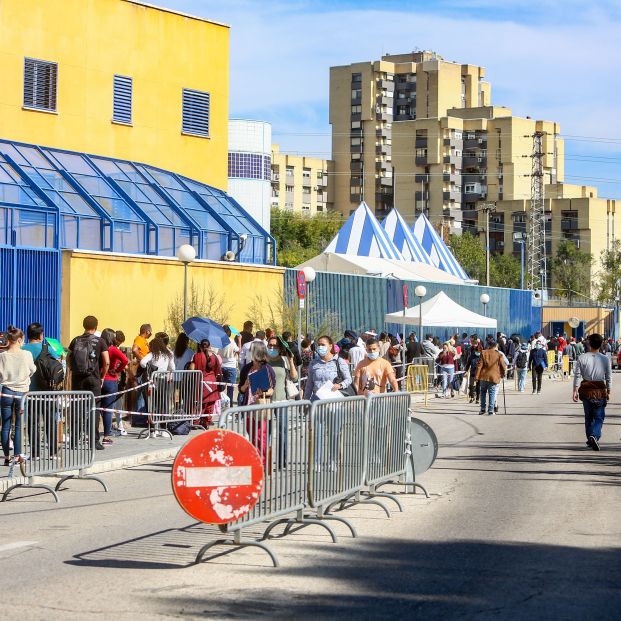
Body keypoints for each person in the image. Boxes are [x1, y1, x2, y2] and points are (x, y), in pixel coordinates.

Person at [68, 316, 110, 450]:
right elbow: (107, 362)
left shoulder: (75, 340)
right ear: (96, 327)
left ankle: (74, 441)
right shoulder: (100, 341)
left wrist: (73, 370)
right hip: (93, 379)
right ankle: (94, 441)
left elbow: (69, 358)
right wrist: (102, 377)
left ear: (83, 325)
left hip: (78, 379)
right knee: (94, 409)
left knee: (76, 409)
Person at [0, 326, 36, 465]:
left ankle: (7, 457)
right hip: (22, 392)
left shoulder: (2, 356)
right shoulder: (26, 355)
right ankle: (17, 456)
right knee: (19, 425)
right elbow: (32, 370)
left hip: (6, 392)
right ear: (20, 339)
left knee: (6, 425)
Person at [573, 333, 612, 451]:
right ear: (601, 344)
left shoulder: (582, 358)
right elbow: (609, 377)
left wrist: (574, 390)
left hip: (586, 390)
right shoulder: (605, 359)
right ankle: (594, 435)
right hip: (600, 390)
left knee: (588, 416)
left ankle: (590, 438)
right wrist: (609, 390)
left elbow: (577, 376)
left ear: (589, 343)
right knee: (599, 417)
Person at [100, 328, 128, 443]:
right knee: (108, 409)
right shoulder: (112, 349)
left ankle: (97, 432)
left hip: (100, 379)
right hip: (111, 380)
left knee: (99, 408)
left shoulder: (100, 348)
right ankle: (107, 434)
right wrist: (117, 370)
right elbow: (125, 360)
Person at [304, 335, 352, 401]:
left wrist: (340, 385)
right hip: (317, 400)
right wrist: (305, 402)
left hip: (333, 401)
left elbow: (348, 379)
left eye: (323, 345)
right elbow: (309, 384)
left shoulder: (338, 361)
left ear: (330, 346)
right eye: (319, 345)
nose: (320, 347)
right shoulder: (313, 363)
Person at [189, 339, 221, 427]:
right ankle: (207, 421)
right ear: (209, 346)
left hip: (201, 381)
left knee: (200, 403)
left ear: (200, 346)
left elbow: (192, 369)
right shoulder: (214, 356)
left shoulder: (197, 355)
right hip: (212, 381)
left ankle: (196, 421)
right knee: (210, 404)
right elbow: (218, 370)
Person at [474, 339, 506, 415]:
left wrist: (476, 376)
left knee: (483, 392)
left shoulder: (483, 352)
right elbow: (503, 367)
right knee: (492, 393)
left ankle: (482, 409)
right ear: (496, 346)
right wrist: (503, 374)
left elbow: (479, 366)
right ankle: (491, 410)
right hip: (493, 377)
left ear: (489, 345)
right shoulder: (499, 354)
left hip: (483, 377)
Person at [266, 335, 298, 403]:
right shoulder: (263, 361)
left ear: (280, 348)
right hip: (266, 401)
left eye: (275, 346)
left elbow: (295, 378)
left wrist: (291, 361)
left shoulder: (285, 360)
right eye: (270, 345)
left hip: (282, 401)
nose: (272, 347)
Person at [220, 326, 239, 406]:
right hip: (231, 366)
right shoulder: (232, 341)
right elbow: (238, 350)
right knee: (230, 389)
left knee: (220, 387)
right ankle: (230, 405)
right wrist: (240, 341)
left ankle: (221, 404)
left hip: (221, 365)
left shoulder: (219, 341)